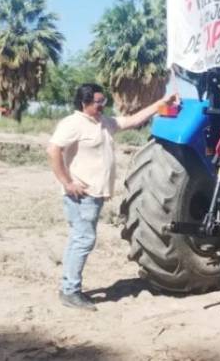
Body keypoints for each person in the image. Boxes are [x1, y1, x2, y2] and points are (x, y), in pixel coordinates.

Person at [47, 83, 179, 311]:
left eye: (103, 101)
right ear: (84, 102)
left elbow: (133, 120)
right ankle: (70, 291)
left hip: (94, 194)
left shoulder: (103, 123)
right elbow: (53, 150)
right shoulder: (73, 123)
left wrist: (161, 103)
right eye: (98, 102)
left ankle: (68, 287)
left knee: (79, 238)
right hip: (82, 195)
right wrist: (67, 182)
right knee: (83, 239)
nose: (102, 105)